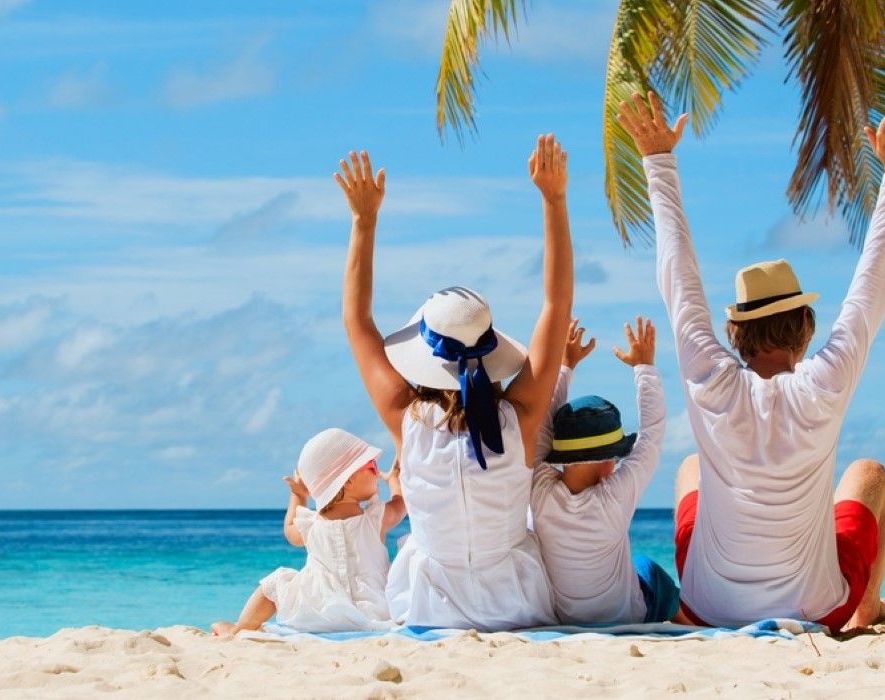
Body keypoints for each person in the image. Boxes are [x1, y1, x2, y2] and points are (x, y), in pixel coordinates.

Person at [617, 92, 885, 633]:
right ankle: (866, 608)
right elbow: (870, 292)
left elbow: (678, 279)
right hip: (818, 610)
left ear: (734, 333)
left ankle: (716, 598)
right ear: (806, 328)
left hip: (710, 608)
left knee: (690, 468)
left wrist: (658, 161)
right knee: (869, 474)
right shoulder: (823, 383)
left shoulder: (710, 378)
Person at [335, 136, 572, 630]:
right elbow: (556, 305)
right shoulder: (520, 417)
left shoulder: (406, 419)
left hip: (427, 604)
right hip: (515, 602)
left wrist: (364, 221)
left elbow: (357, 321)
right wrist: (553, 200)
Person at [530, 317, 680, 625]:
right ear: (609, 462)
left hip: (564, 618)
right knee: (648, 569)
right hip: (627, 616)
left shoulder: (540, 491)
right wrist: (645, 367)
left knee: (640, 568)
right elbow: (652, 438)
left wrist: (565, 367)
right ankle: (686, 621)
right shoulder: (614, 498)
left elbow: (542, 427)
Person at [210, 428, 406, 636]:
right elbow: (402, 503)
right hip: (375, 609)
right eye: (371, 466)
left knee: (275, 583)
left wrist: (299, 497)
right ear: (347, 481)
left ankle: (239, 629)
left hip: (319, 610)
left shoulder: (311, 524)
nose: (377, 472)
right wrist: (394, 479)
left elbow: (290, 531)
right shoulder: (375, 518)